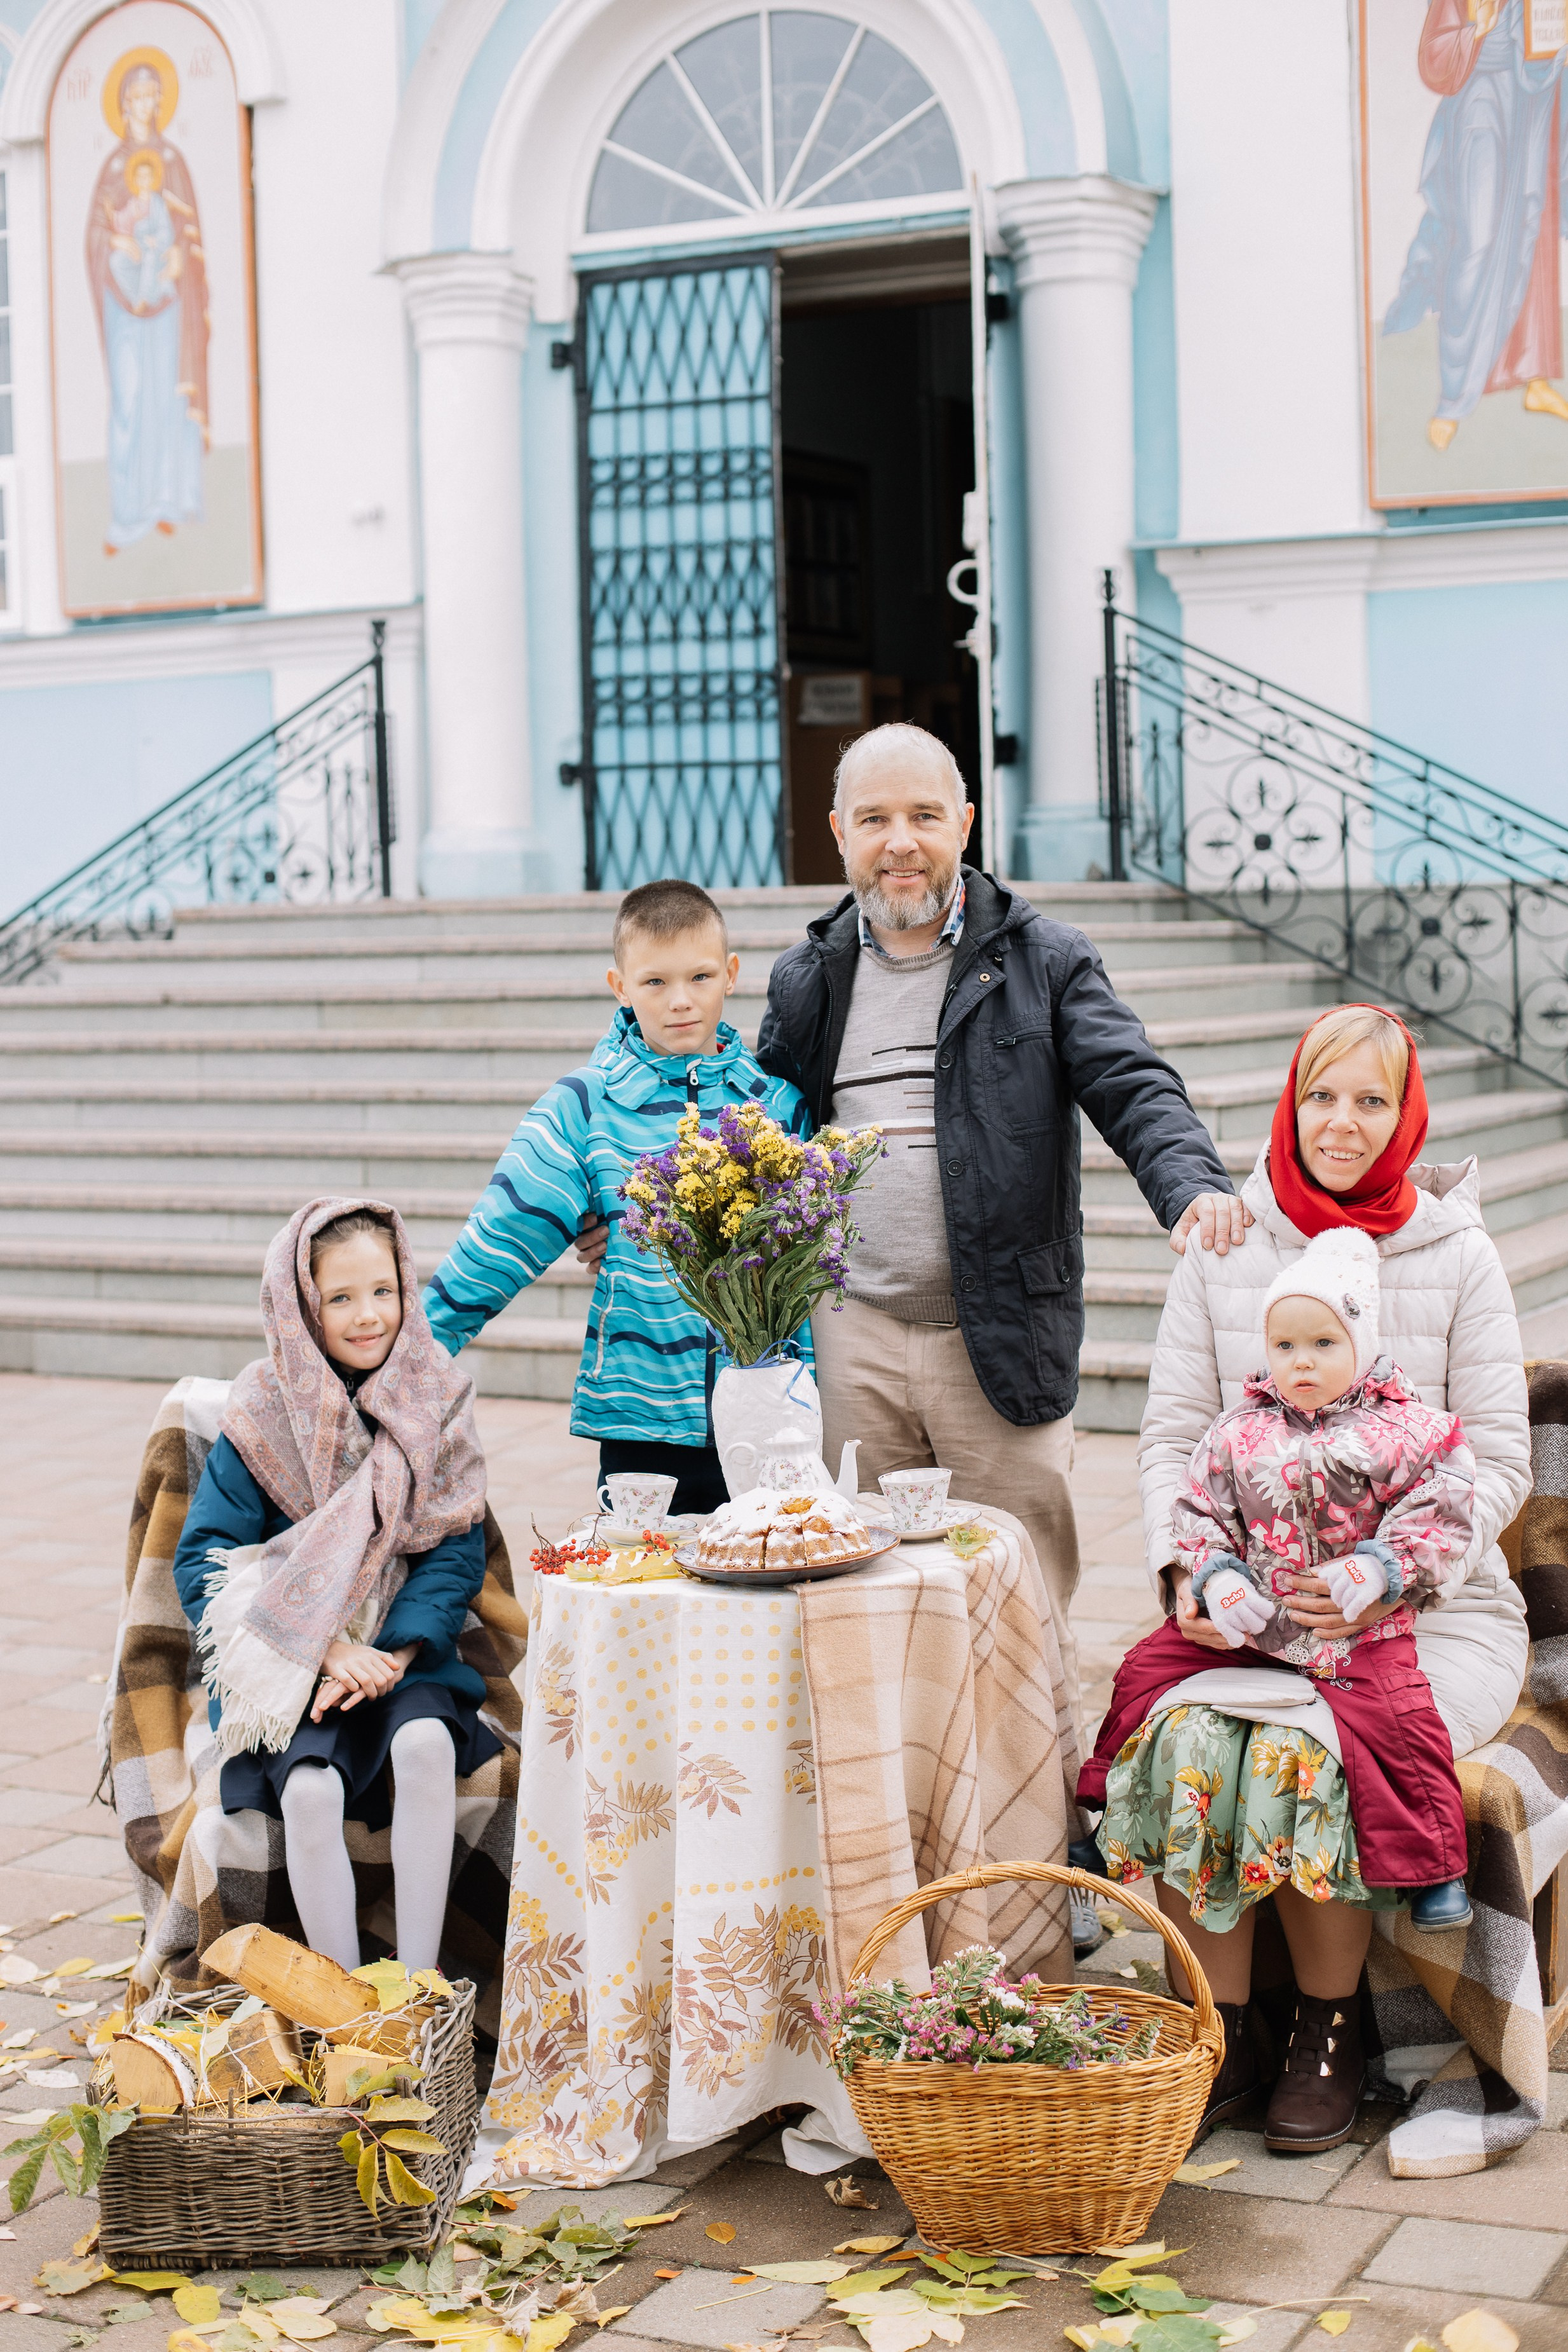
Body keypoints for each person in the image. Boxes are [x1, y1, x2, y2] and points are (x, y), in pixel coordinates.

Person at [1079, 1002, 1531, 2153]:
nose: (1342, 1123)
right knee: (1186, 1741)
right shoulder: (1228, 1243)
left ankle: (1328, 2032)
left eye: (1369, 1101)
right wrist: (1190, 1569)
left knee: (1293, 1750)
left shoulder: (1456, 1251)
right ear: (1291, 1100)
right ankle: (1220, 2035)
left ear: (1404, 1114)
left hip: (1426, 1619)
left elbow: (1501, 1460)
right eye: (1321, 1095)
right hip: (1244, 1607)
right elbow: (1171, 1439)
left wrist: (1388, 1573)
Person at [749, 721, 1241, 1729]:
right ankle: (902, 1842)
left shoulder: (1044, 959)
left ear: (964, 825)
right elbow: (756, 1129)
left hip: (999, 1333)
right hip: (851, 1338)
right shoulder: (806, 979)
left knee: (1020, 1611)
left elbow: (1129, 1080)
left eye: (925, 816)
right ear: (836, 831)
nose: (900, 842)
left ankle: (1040, 1850)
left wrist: (1188, 1184)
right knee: (864, 1605)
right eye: (875, 819)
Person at [174, 1199, 494, 1973]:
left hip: (403, 1651)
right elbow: (206, 1559)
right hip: (293, 1663)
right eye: (340, 1298)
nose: (367, 1316)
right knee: (310, 1789)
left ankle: (415, 1991)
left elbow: (455, 1544)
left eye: (382, 1291)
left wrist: (396, 1648)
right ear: (299, 1304)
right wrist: (321, 1649)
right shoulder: (263, 1410)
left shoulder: (435, 1397)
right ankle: (345, 2005)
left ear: (406, 1287)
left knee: (423, 1743)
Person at [426, 879, 810, 1515]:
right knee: (648, 1597)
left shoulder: (775, 1106)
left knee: (768, 1597)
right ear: (620, 986)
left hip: (771, 1415)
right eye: (655, 982)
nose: (681, 1001)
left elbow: (807, 1260)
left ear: (732, 974)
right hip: (643, 1424)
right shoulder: (584, 1107)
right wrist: (409, 1357)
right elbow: (498, 1240)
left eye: (700, 977)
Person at [1166, 1224, 1475, 1932]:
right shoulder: (1238, 1429)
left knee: (1400, 1719)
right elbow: (1198, 1505)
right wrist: (1213, 1578)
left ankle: (1434, 1868)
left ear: (1361, 1347)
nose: (1301, 1362)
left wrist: (1383, 1568)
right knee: (1145, 1670)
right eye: (1285, 1346)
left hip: (1359, 1625)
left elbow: (1443, 1502)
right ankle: (1095, 1809)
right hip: (1259, 1619)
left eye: (1323, 1344)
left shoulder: (1406, 1430)